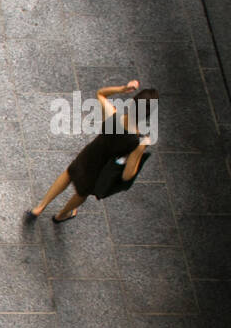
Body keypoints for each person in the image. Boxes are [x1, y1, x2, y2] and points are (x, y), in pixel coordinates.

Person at [27, 81, 158, 223]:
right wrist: (142, 149)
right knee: (82, 193)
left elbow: (100, 93)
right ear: (147, 115)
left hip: (90, 153)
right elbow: (127, 175)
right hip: (101, 170)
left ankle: (40, 207)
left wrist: (122, 88)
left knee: (69, 173)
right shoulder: (137, 142)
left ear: (132, 102)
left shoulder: (113, 116)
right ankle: (61, 215)